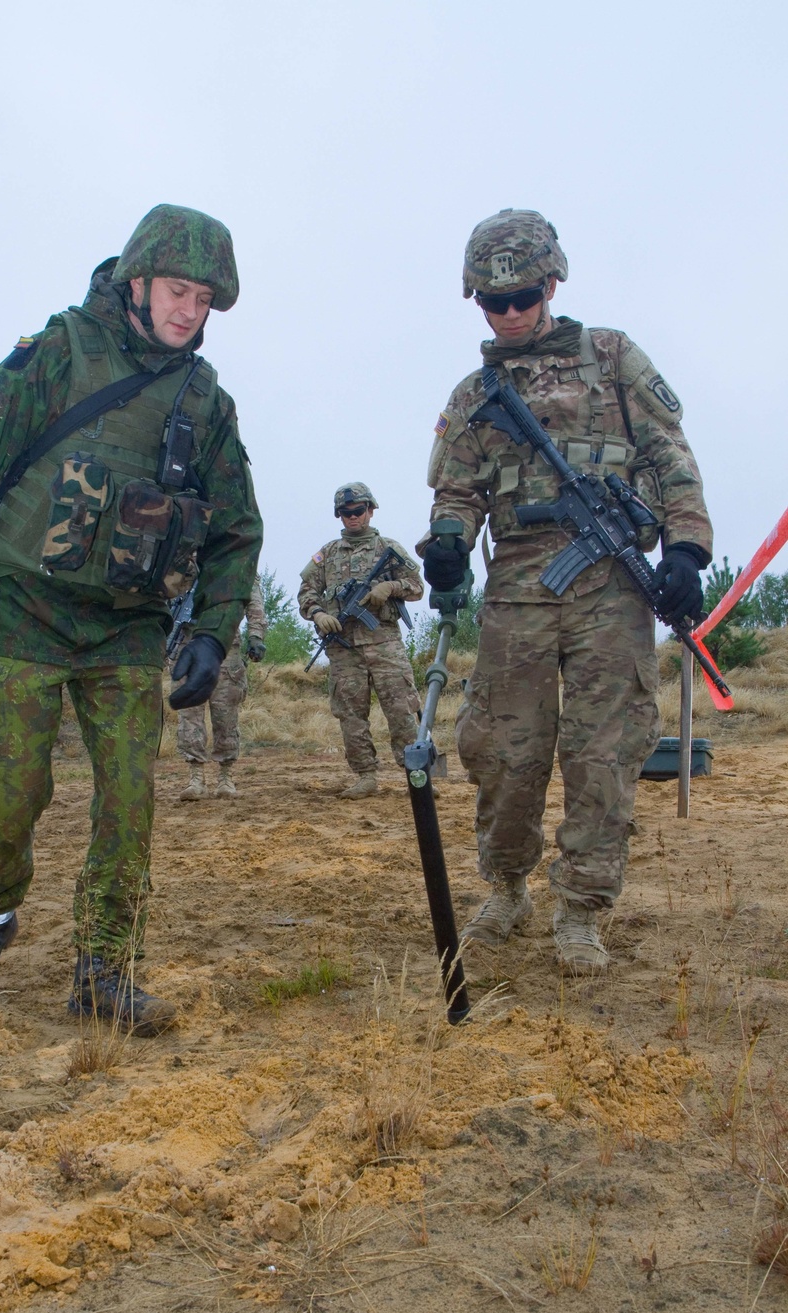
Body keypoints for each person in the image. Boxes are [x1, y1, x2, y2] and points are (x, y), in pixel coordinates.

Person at [0, 204, 263, 1030]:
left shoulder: (205, 400)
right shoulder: (59, 352)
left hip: (127, 628)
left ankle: (103, 967)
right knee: (12, 789)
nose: (190, 311)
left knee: (129, 799)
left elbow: (236, 527)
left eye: (205, 300)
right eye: (179, 290)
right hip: (25, 612)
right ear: (137, 280)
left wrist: (214, 629)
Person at [422, 208, 712, 972]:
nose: (512, 312)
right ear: (475, 300)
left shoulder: (613, 357)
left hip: (612, 590)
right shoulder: (475, 392)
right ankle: (508, 886)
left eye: (524, 296)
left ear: (553, 282)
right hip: (518, 590)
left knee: (604, 753)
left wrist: (686, 549)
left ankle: (581, 908)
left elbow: (671, 455)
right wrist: (448, 542)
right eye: (494, 300)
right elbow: (455, 488)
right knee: (506, 753)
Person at [298, 484, 423, 798]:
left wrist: (390, 588)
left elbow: (416, 586)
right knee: (351, 716)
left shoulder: (388, 547)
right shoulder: (326, 554)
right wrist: (317, 614)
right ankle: (366, 776)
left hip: (384, 642)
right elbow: (306, 593)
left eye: (358, 511)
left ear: (370, 510)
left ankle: (418, 776)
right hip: (343, 647)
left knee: (403, 711)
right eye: (346, 512)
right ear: (339, 515)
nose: (352, 517)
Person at [177, 575, 267, 799]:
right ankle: (195, 777)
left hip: (225, 648)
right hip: (186, 646)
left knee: (225, 715)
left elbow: (254, 602)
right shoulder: (182, 560)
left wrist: (256, 635)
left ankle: (225, 777)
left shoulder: (236, 562)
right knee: (189, 716)